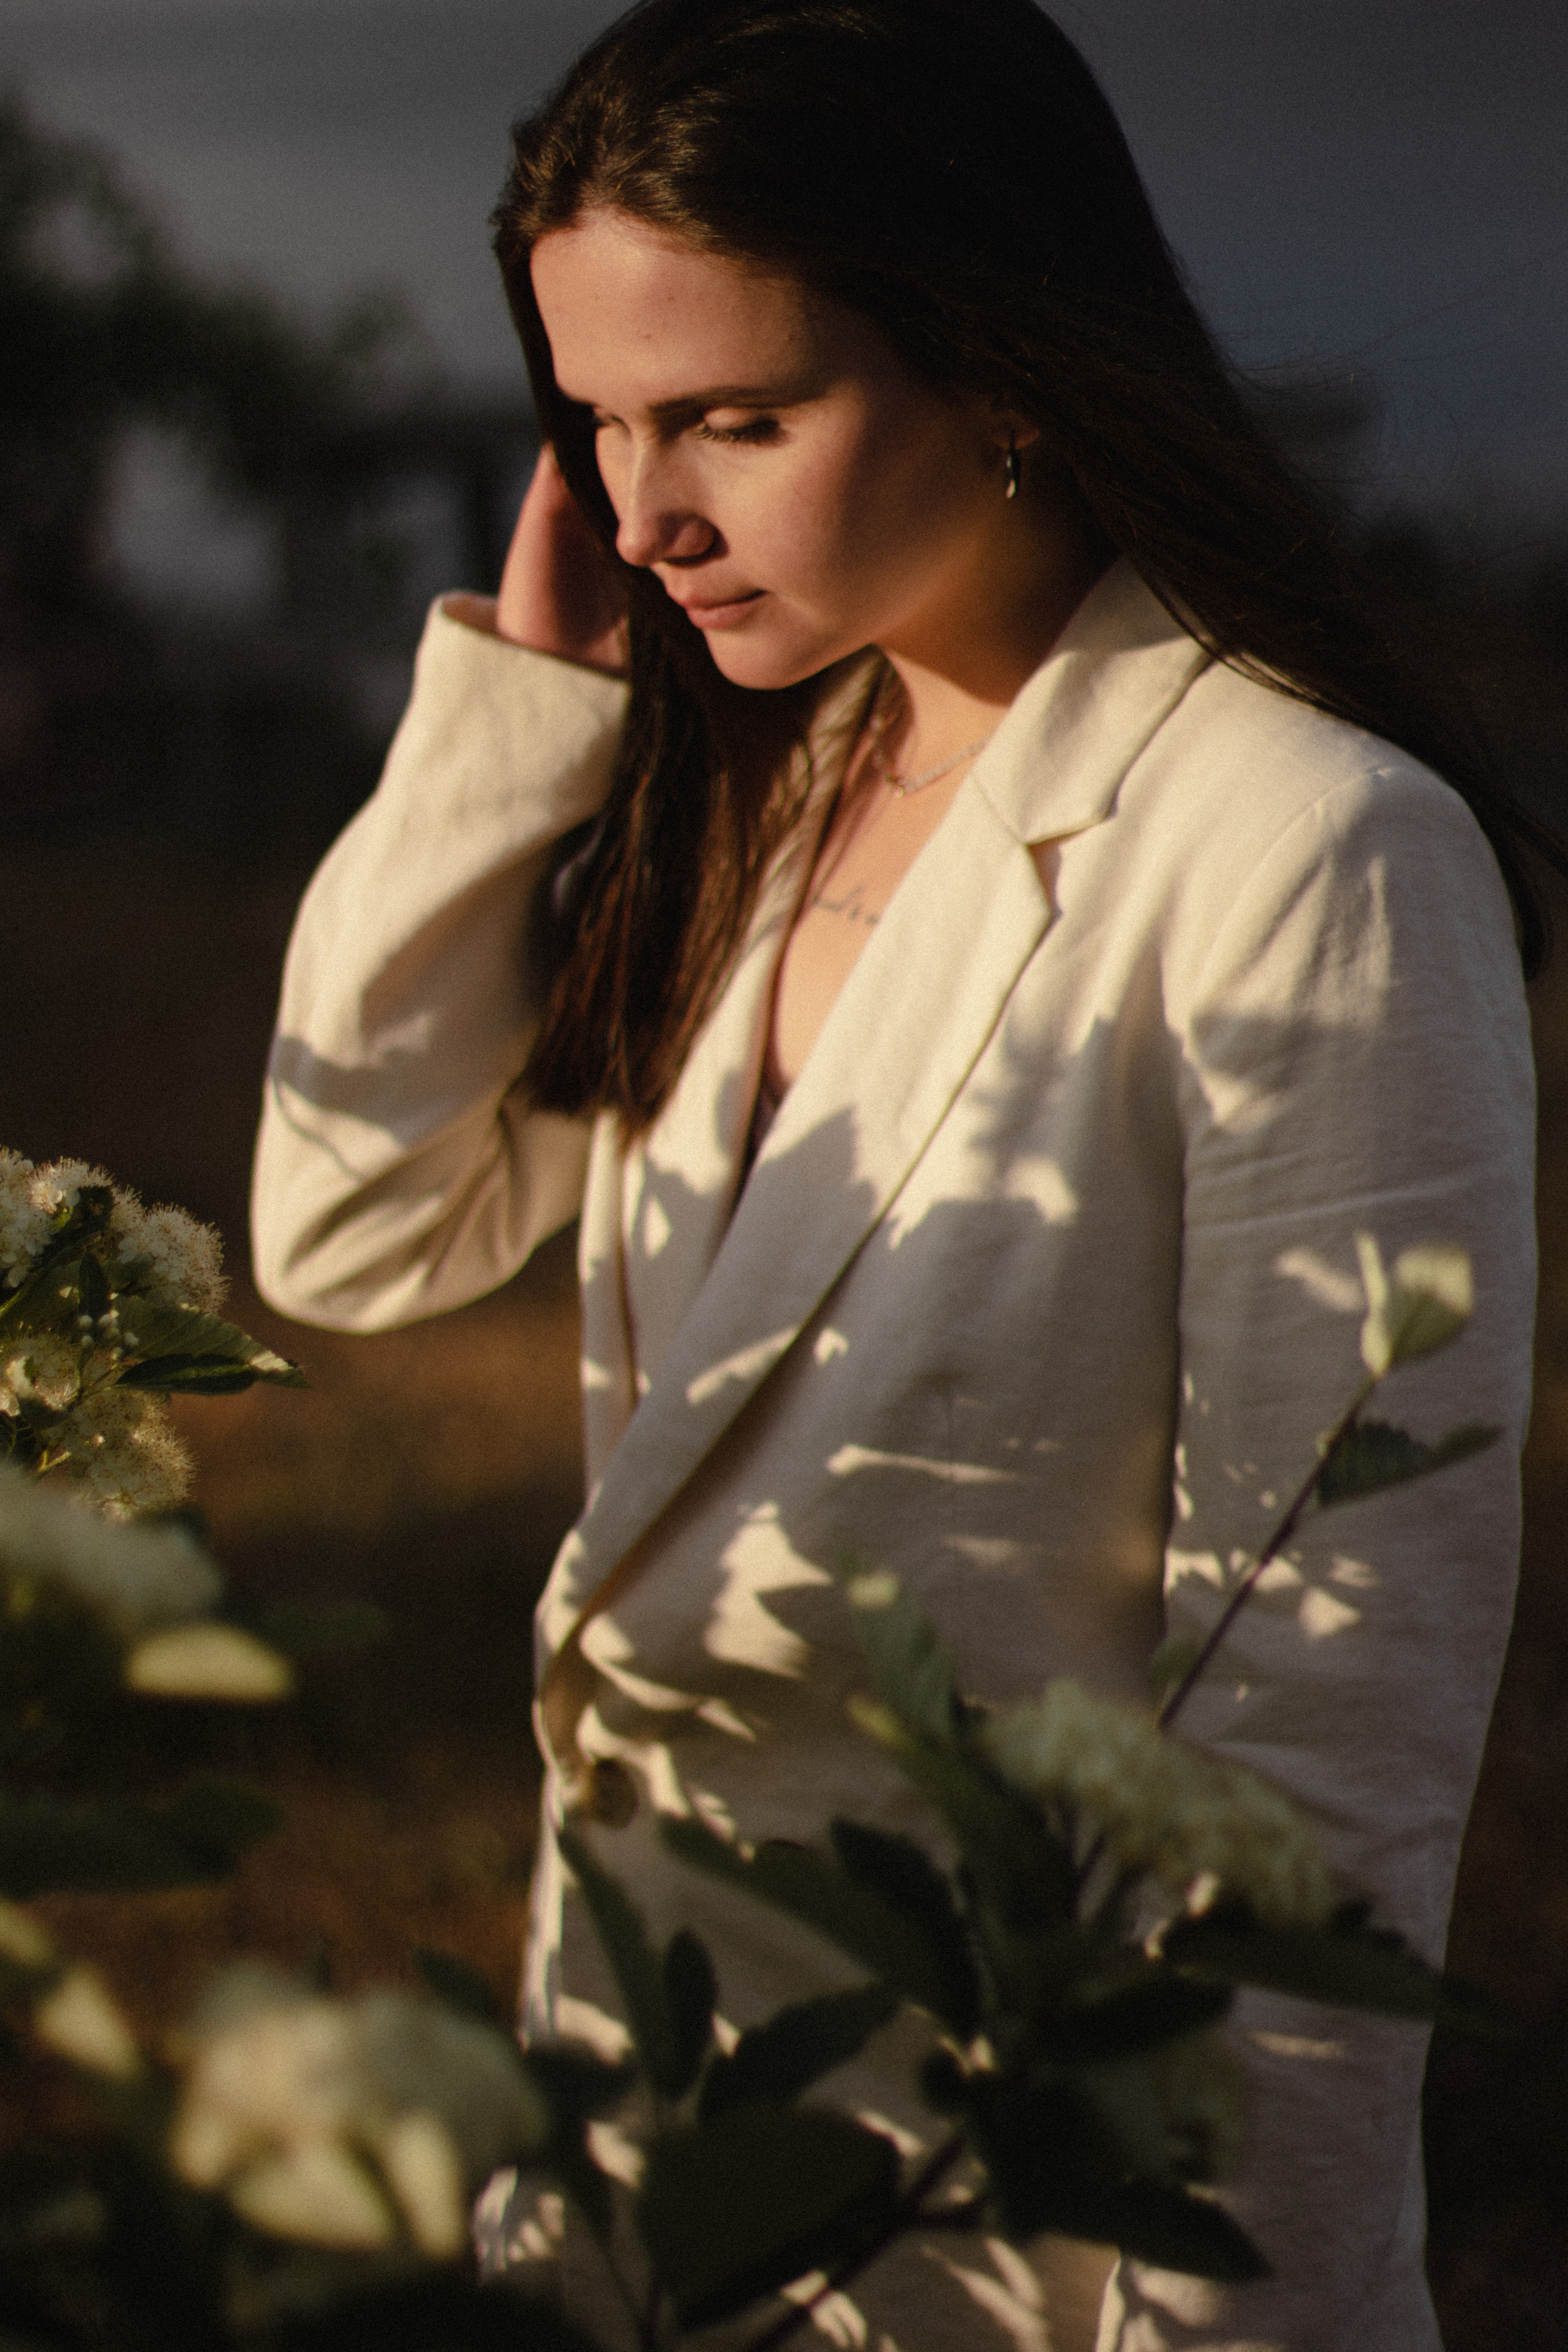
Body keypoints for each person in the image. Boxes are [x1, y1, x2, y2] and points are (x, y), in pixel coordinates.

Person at [250, 1, 1545, 2343]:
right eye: (601, 421)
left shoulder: (1303, 846)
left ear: (1003, 362)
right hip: (640, 2149)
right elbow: (349, 1226)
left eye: (734, 418)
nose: (644, 513)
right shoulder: (763, 777)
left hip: (1003, 2215)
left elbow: (1321, 1740)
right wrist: (515, 719)